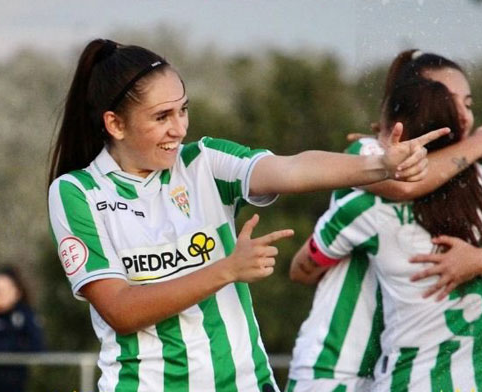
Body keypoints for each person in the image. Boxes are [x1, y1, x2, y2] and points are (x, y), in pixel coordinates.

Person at [47, 38, 446, 392]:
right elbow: (121, 311)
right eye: (161, 117)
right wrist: (226, 270)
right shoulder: (77, 192)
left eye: (183, 110)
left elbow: (292, 168)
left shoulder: (203, 161)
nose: (179, 128)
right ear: (115, 124)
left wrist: (380, 167)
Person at [286, 49, 482, 392]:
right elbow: (409, 183)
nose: (463, 117)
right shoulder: (368, 157)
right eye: (447, 103)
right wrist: (479, 145)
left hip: (390, 369)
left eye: (468, 104)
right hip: (337, 368)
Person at [0, 265, 45, 392]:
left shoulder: (26, 317)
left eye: (3, 290)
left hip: (14, 384)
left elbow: (37, 347)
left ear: (16, 292)